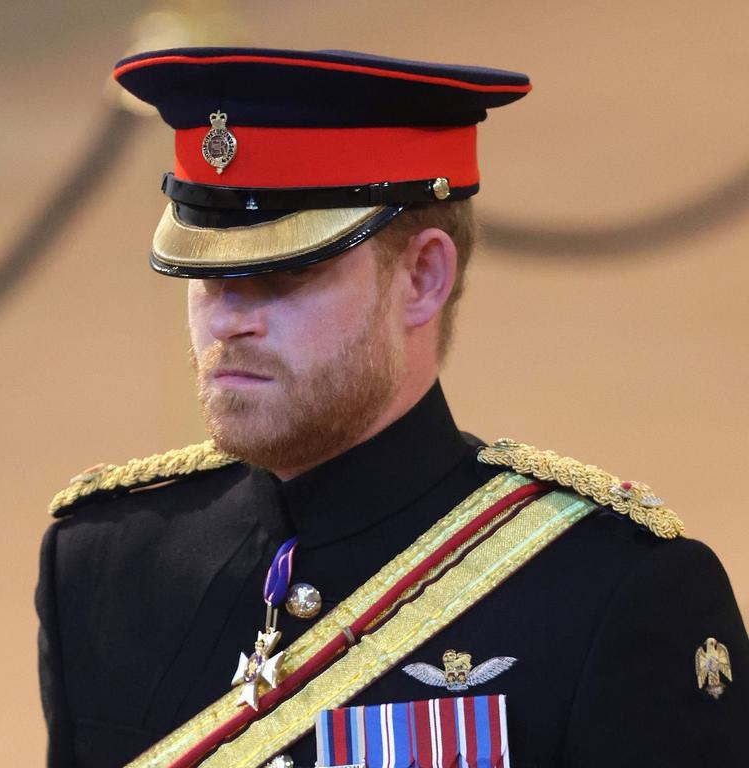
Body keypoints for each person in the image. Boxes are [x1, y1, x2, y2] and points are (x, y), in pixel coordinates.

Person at [37, 47, 749, 768]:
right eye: (207, 275)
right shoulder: (101, 565)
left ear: (423, 277)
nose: (228, 320)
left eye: (283, 274)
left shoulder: (612, 592)